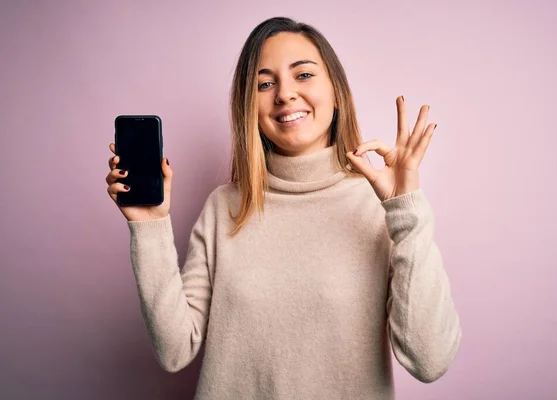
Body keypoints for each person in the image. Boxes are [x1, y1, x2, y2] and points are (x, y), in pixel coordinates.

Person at [105, 16, 461, 400]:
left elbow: (429, 360)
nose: (285, 94)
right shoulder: (224, 207)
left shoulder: (381, 207)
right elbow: (175, 351)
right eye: (265, 83)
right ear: (249, 106)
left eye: (303, 75)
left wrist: (405, 210)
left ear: (337, 91)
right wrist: (150, 227)